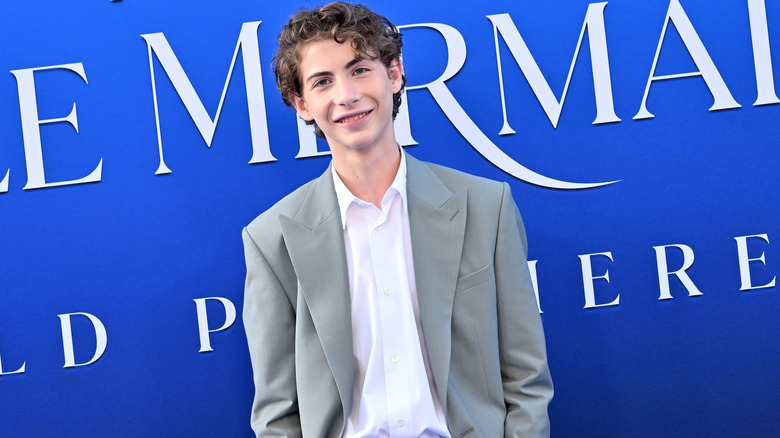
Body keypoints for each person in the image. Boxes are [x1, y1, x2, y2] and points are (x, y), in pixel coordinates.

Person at [242, 2, 553, 437]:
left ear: (394, 74)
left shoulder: (486, 206)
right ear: (301, 104)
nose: (346, 95)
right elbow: (277, 414)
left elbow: (526, 379)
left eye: (359, 70)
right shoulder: (271, 239)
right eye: (322, 81)